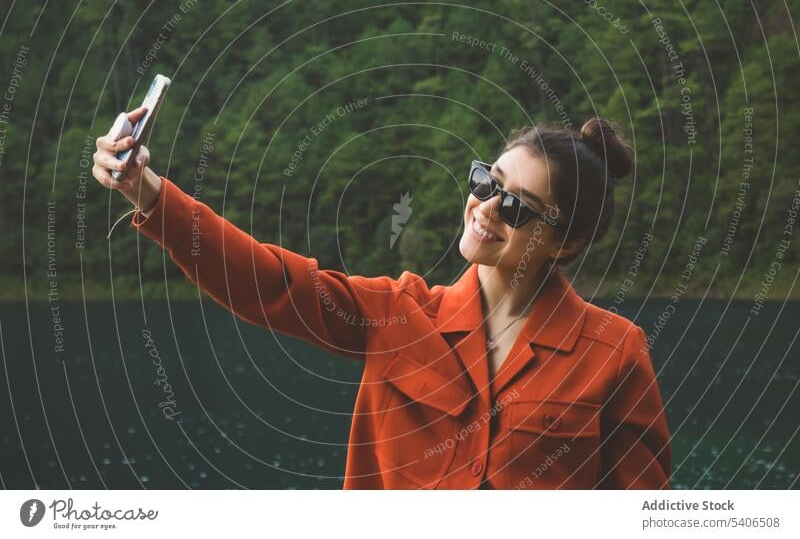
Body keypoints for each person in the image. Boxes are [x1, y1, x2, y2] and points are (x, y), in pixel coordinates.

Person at [93, 109, 672, 489]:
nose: (487, 208)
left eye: (517, 207)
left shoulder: (614, 353)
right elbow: (269, 282)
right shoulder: (397, 313)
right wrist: (147, 190)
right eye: (486, 183)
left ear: (565, 241)